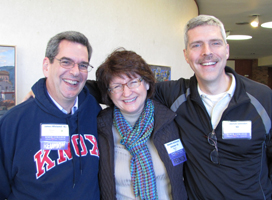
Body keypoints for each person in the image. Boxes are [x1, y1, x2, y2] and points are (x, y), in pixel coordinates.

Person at [153, 15, 272, 199]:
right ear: (185, 55)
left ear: (226, 50)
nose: (206, 52)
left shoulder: (261, 97)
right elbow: (127, 88)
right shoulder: (175, 94)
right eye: (197, 45)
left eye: (215, 43)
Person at [0, 31, 101, 200]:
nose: (76, 72)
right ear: (46, 66)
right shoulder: (13, 123)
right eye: (66, 62)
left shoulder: (94, 112)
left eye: (83, 65)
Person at [96, 48, 187, 200]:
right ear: (109, 93)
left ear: (146, 83)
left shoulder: (170, 120)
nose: (126, 93)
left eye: (133, 82)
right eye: (117, 86)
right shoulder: (100, 128)